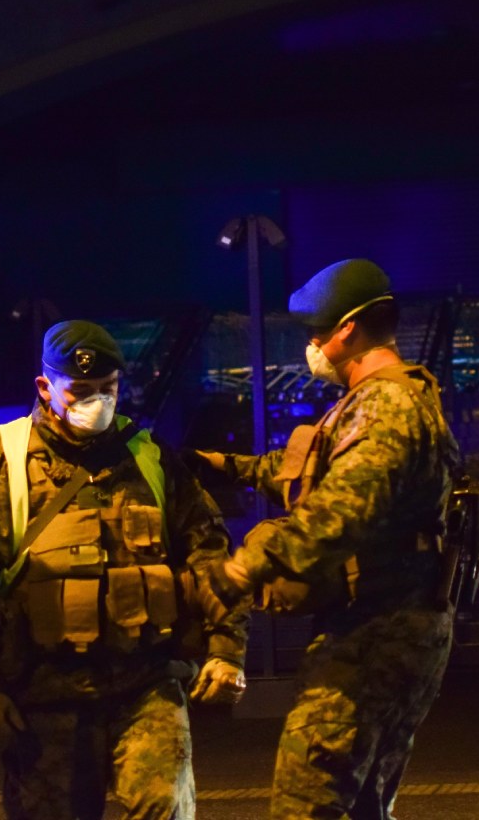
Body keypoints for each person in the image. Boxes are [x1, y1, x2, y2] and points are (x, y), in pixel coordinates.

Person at [0, 320, 250, 820]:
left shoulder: (149, 458)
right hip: (44, 696)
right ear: (45, 387)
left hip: (147, 684)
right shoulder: (5, 466)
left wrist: (226, 649)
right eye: (80, 391)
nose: (97, 402)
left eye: (108, 388)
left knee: (164, 809)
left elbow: (209, 555)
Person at [194, 258, 462, 819]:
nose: (311, 345)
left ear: (347, 330)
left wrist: (241, 570)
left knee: (306, 802)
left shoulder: (386, 405)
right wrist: (223, 465)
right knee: (362, 805)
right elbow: (313, 470)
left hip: (376, 635)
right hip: (387, 628)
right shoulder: (378, 400)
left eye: (316, 332)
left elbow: (340, 509)